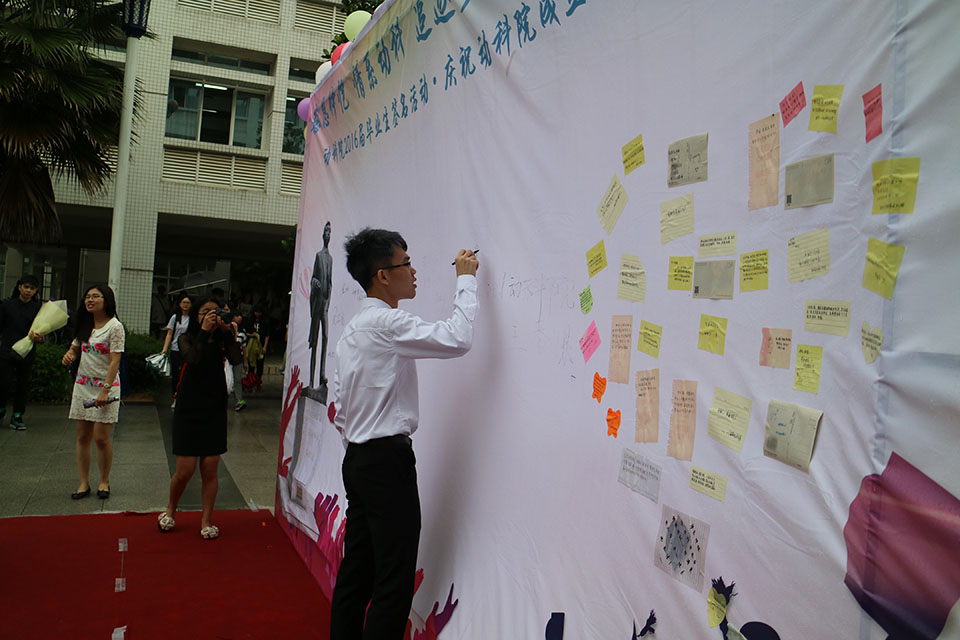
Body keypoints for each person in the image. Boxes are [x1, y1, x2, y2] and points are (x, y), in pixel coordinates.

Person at [329, 228, 479, 640]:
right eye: (406, 263)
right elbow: (457, 338)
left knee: (357, 572)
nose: (414, 272)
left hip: (357, 459)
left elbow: (340, 408)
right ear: (382, 275)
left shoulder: (353, 329)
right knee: (393, 582)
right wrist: (466, 279)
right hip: (385, 463)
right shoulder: (386, 322)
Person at [157, 297, 241, 539]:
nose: (212, 315)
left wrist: (227, 334)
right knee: (185, 470)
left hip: (214, 408)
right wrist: (204, 332)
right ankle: (170, 509)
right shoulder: (186, 338)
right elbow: (192, 359)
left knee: (210, 468)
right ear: (197, 316)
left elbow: (237, 360)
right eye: (206, 312)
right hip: (189, 408)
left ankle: (206, 520)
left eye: (216, 311)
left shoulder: (223, 340)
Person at [61, 284, 124, 500]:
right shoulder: (85, 324)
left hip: (106, 387)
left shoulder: (115, 327)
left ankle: (104, 481)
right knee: (83, 436)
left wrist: (105, 390)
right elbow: (75, 348)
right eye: (87, 296)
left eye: (95, 296)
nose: (90, 300)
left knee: (101, 438)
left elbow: (115, 361)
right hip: (83, 385)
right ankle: (83, 483)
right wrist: (69, 355)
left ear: (107, 301)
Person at [0, 275, 43, 430]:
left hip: (27, 351)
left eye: (32, 288)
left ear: (36, 291)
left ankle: (17, 415)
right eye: (26, 287)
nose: (28, 291)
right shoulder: (7, 306)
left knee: (22, 384)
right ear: (19, 287)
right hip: (7, 350)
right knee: (3, 382)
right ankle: (1, 410)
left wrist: (39, 338)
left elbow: (43, 331)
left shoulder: (38, 309)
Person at [309, 221, 333, 391]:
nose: (327, 234)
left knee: (325, 337)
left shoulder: (330, 259)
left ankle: (321, 374)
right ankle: (311, 380)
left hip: (324, 304)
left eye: (329, 232)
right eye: (326, 231)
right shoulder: (318, 256)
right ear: (322, 234)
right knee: (315, 340)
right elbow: (313, 278)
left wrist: (328, 303)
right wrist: (315, 283)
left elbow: (330, 283)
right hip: (317, 303)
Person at [161, 293, 192, 405]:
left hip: (188, 351)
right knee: (176, 375)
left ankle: (185, 398)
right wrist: (164, 349)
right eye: (183, 302)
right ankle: (175, 397)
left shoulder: (193, 318)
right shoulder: (175, 317)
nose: (185, 305)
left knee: (187, 375)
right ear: (179, 304)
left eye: (188, 303)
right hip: (175, 349)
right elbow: (169, 333)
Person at [229, 310, 247, 411]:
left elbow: (244, 348)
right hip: (227, 359)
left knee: (238, 380)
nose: (239, 317)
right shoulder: (227, 330)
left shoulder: (243, 333)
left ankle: (239, 400)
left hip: (238, 359)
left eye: (240, 315)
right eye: (237, 315)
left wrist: (245, 362)